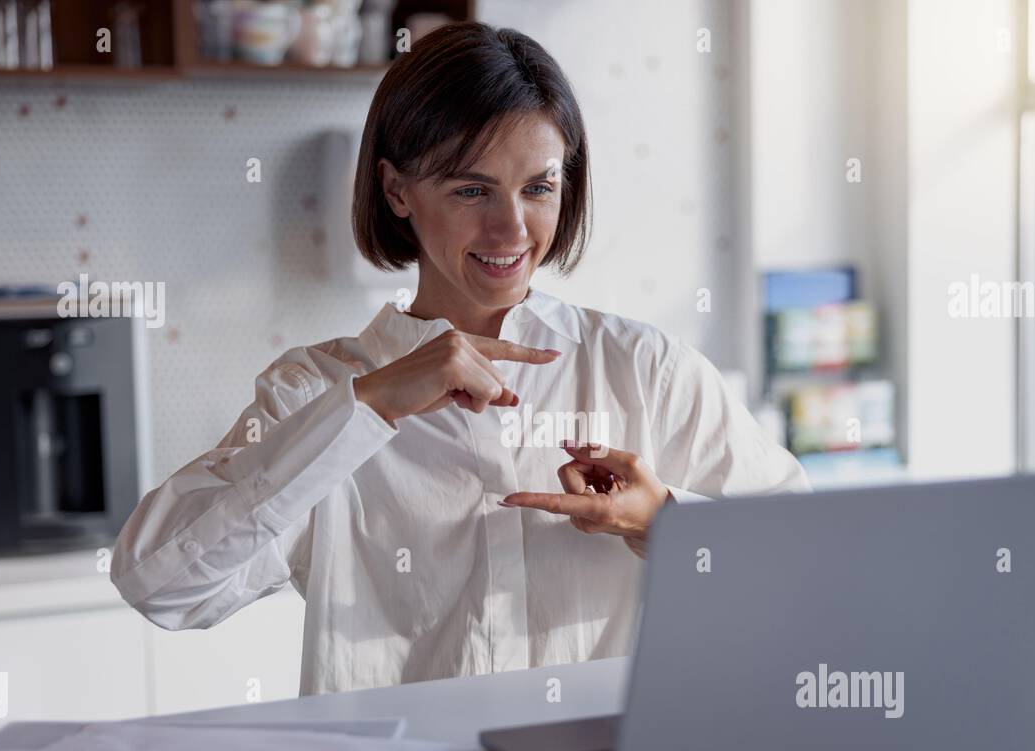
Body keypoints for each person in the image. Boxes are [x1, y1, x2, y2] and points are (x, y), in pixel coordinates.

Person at [110, 21, 808, 695]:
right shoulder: (314, 389)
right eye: (471, 189)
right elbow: (160, 587)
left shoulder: (646, 370)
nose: (512, 227)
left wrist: (663, 523)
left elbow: (807, 569)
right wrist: (372, 405)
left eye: (538, 187)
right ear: (396, 190)